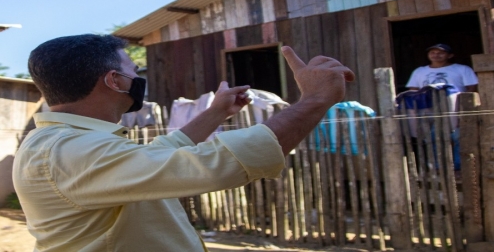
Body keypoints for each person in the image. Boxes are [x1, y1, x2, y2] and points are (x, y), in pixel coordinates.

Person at [13, 34, 355, 251]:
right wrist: (314, 100)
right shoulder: (67, 151)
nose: (138, 78)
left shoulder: (71, 143)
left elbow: (157, 155)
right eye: (133, 70)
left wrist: (217, 113)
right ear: (115, 81)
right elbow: (212, 166)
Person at [404, 43, 478, 171]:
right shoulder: (420, 71)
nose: (436, 55)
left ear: (450, 55)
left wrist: (464, 108)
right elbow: (413, 91)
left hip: (455, 107)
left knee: (457, 136)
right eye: (432, 53)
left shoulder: (462, 69)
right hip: (428, 108)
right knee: (432, 137)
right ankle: (437, 167)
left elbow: (471, 88)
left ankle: (458, 167)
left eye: (440, 53)